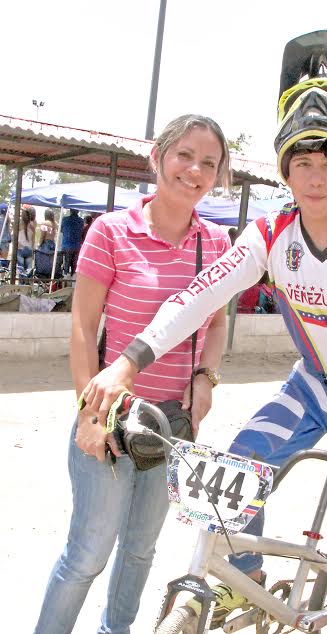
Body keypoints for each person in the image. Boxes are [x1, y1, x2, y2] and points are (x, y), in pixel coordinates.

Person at [81, 61, 327, 634]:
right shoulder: (270, 233)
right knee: (237, 468)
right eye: (303, 164)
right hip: (311, 385)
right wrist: (127, 361)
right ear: (286, 172)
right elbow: (199, 296)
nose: (316, 178)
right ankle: (249, 582)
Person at [32, 114, 232, 634]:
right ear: (158, 157)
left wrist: (207, 377)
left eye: (208, 163)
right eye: (184, 155)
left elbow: (217, 324)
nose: (194, 170)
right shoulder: (111, 232)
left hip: (175, 426)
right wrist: (89, 416)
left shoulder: (215, 244)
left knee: (140, 552)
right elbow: (82, 330)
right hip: (112, 418)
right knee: (87, 555)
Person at [60, 208, 84, 276]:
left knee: (66, 265)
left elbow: (61, 230)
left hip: (66, 245)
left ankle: (66, 280)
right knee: (74, 266)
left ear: (70, 211)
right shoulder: (81, 221)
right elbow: (81, 232)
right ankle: (73, 281)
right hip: (77, 246)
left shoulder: (65, 219)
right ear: (78, 211)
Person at [16, 204, 36, 271]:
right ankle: (28, 281)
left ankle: (21, 281)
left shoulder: (18, 225)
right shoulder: (32, 227)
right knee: (28, 270)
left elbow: (15, 239)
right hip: (29, 249)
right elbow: (33, 240)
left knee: (21, 269)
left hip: (20, 249)